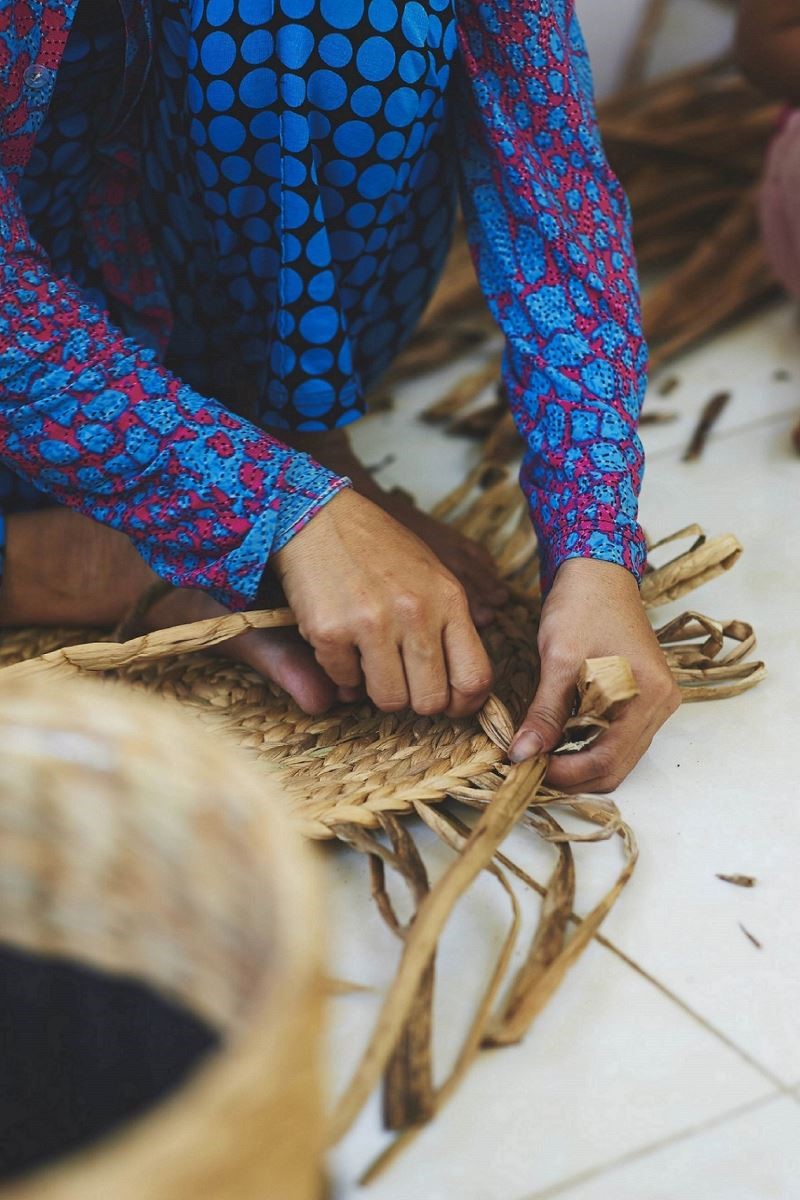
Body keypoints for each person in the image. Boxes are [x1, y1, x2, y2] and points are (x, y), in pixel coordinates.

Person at [0, 0, 679, 793]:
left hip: (193, 317)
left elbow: (552, 199)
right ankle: (53, 560)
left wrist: (594, 546)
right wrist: (270, 504)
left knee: (336, 17)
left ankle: (279, 427)